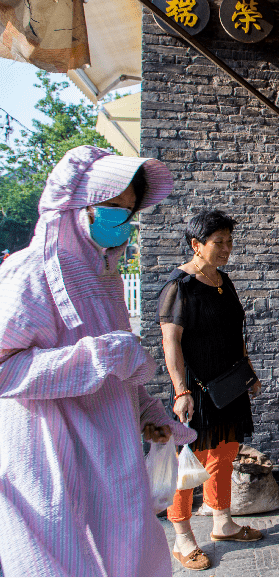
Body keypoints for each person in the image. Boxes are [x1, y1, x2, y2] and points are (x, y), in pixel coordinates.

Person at [0, 145, 196, 576]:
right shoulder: (30, 271)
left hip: (112, 450)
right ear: (74, 207)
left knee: (126, 553)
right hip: (53, 454)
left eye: (127, 211)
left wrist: (147, 410)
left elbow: (119, 368)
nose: (120, 221)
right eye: (110, 208)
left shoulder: (104, 277)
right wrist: (95, 357)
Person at [159, 209, 263, 571]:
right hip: (197, 390)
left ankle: (222, 521)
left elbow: (237, 333)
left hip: (230, 385)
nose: (226, 249)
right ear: (196, 245)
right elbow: (170, 343)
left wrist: (249, 374)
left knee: (226, 452)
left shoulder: (224, 281)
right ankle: (183, 537)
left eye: (229, 242)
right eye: (219, 243)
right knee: (190, 464)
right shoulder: (179, 287)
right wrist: (179, 391)